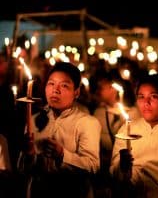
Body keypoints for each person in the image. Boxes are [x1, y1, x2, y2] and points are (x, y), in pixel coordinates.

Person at [18, 62, 101, 198]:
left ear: (77, 92)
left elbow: (92, 167)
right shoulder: (33, 120)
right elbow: (22, 170)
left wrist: (62, 154)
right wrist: (29, 154)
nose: (55, 90)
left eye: (64, 85)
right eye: (51, 83)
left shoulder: (87, 123)